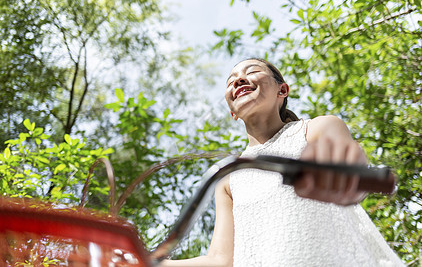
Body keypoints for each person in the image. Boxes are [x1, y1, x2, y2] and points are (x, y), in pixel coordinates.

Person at [160, 58, 404, 266]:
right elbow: (221, 260)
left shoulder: (316, 128)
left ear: (282, 91)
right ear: (232, 112)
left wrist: (346, 173)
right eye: (231, 80)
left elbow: (347, 164)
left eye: (252, 71)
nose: (239, 80)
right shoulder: (228, 179)